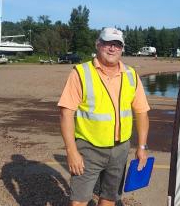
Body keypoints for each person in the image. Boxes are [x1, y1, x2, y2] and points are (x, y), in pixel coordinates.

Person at [58, 27, 150, 206]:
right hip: (88, 149)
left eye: (117, 45)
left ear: (122, 49)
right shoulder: (81, 73)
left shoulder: (131, 75)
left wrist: (142, 146)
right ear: (98, 44)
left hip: (120, 149)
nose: (112, 48)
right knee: (78, 201)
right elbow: (66, 113)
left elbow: (142, 112)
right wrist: (71, 152)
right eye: (107, 43)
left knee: (109, 198)